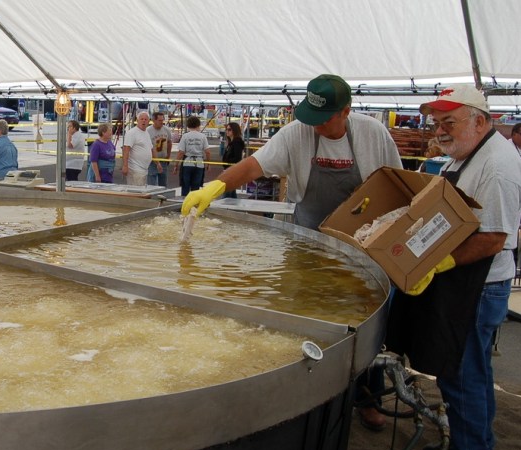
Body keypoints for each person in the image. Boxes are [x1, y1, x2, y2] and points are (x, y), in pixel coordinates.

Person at [181, 74, 403, 431]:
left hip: (362, 241)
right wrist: (218, 185)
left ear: (346, 111)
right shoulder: (297, 132)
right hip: (309, 237)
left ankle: (367, 398)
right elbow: (255, 165)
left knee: (362, 320)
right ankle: (308, 391)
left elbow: (395, 182)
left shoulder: (373, 135)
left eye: (324, 119)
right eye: (310, 117)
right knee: (303, 310)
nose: (314, 126)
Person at [387, 85, 521, 450]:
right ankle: (471, 441)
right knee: (465, 371)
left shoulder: (496, 168)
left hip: (478, 287)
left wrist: (438, 261)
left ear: (480, 121)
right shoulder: (467, 155)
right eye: (436, 122)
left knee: (463, 374)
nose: (440, 131)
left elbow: (494, 238)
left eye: (449, 122)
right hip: (462, 280)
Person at [173, 115, 211, 197]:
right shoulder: (202, 136)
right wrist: (208, 163)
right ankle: (194, 205)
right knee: (196, 187)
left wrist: (176, 165)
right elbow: (208, 152)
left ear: (188, 125)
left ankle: (184, 204)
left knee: (185, 186)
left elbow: (181, 152)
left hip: (187, 163)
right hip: (199, 163)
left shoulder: (185, 136)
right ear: (198, 125)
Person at [122, 111, 154, 186]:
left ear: (149, 121)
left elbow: (151, 148)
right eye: (141, 119)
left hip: (144, 169)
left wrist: (158, 164)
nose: (144, 121)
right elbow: (126, 149)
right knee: (136, 191)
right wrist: (125, 166)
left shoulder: (146, 132)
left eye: (146, 119)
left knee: (141, 190)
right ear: (137, 120)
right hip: (135, 168)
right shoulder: (132, 133)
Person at [147, 111, 173, 186]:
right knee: (151, 182)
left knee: (163, 182)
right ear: (154, 120)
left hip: (163, 159)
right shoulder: (148, 131)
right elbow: (148, 147)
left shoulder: (166, 130)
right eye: (159, 120)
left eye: (162, 120)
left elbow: (169, 142)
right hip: (152, 161)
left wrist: (168, 156)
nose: (162, 122)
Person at [221, 122, 245, 198]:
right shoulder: (231, 143)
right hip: (229, 169)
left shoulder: (236, 143)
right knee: (231, 192)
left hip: (231, 170)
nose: (227, 131)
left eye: (229, 129)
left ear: (234, 130)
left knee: (227, 191)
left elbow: (237, 158)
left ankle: (223, 206)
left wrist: (228, 162)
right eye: (226, 129)